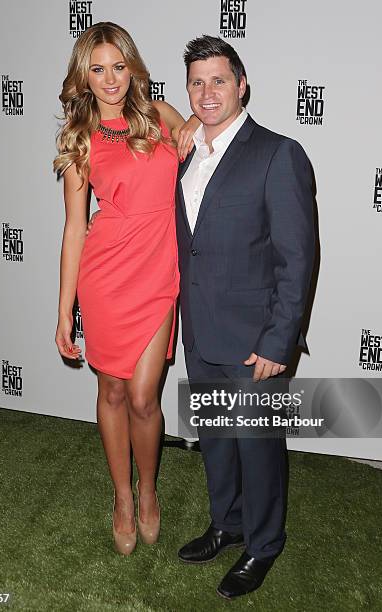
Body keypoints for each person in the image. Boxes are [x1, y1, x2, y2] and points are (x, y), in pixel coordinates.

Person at [175, 36, 315, 599]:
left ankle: (263, 543)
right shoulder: (186, 151)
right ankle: (227, 523)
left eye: (219, 81)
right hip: (199, 329)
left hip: (257, 339)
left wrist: (280, 340)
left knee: (258, 446)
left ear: (242, 85)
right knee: (216, 437)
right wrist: (186, 123)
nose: (207, 92)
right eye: (196, 82)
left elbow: (297, 258)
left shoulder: (279, 153)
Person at [53, 21, 198, 556]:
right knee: (111, 391)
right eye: (97, 69)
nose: (110, 78)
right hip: (106, 274)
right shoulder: (79, 138)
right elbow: (74, 227)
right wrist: (65, 310)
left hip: (159, 272)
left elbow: (205, 151)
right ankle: (121, 498)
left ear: (132, 66)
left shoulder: (159, 115)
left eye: (118, 66)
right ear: (83, 77)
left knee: (142, 396)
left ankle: (150, 493)